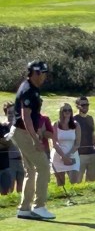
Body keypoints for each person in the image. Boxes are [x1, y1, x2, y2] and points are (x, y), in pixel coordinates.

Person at [10, 61, 55, 220]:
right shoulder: (29, 90)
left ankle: (24, 208)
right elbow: (26, 117)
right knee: (43, 167)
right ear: (35, 73)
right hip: (24, 133)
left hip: (21, 132)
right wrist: (36, 140)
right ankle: (39, 206)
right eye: (43, 73)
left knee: (31, 170)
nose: (44, 76)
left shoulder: (31, 88)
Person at [51, 103, 81, 187]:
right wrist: (63, 156)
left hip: (72, 155)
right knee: (61, 184)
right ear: (61, 112)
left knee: (74, 182)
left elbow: (77, 144)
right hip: (58, 156)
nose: (67, 112)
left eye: (69, 110)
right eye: (65, 110)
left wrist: (68, 155)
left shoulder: (76, 125)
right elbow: (54, 143)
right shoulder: (55, 124)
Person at [72, 96, 95, 183]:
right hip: (79, 155)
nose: (86, 106)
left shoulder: (90, 118)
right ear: (77, 106)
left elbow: (93, 135)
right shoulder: (73, 119)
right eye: (83, 105)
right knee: (77, 182)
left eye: (87, 104)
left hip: (92, 153)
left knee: (91, 182)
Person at [3, 103, 25, 196]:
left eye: (13, 112)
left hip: (23, 160)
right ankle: (11, 203)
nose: (11, 115)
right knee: (10, 187)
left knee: (22, 186)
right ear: (6, 114)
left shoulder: (22, 126)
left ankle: (22, 205)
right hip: (10, 162)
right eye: (9, 113)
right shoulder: (3, 127)